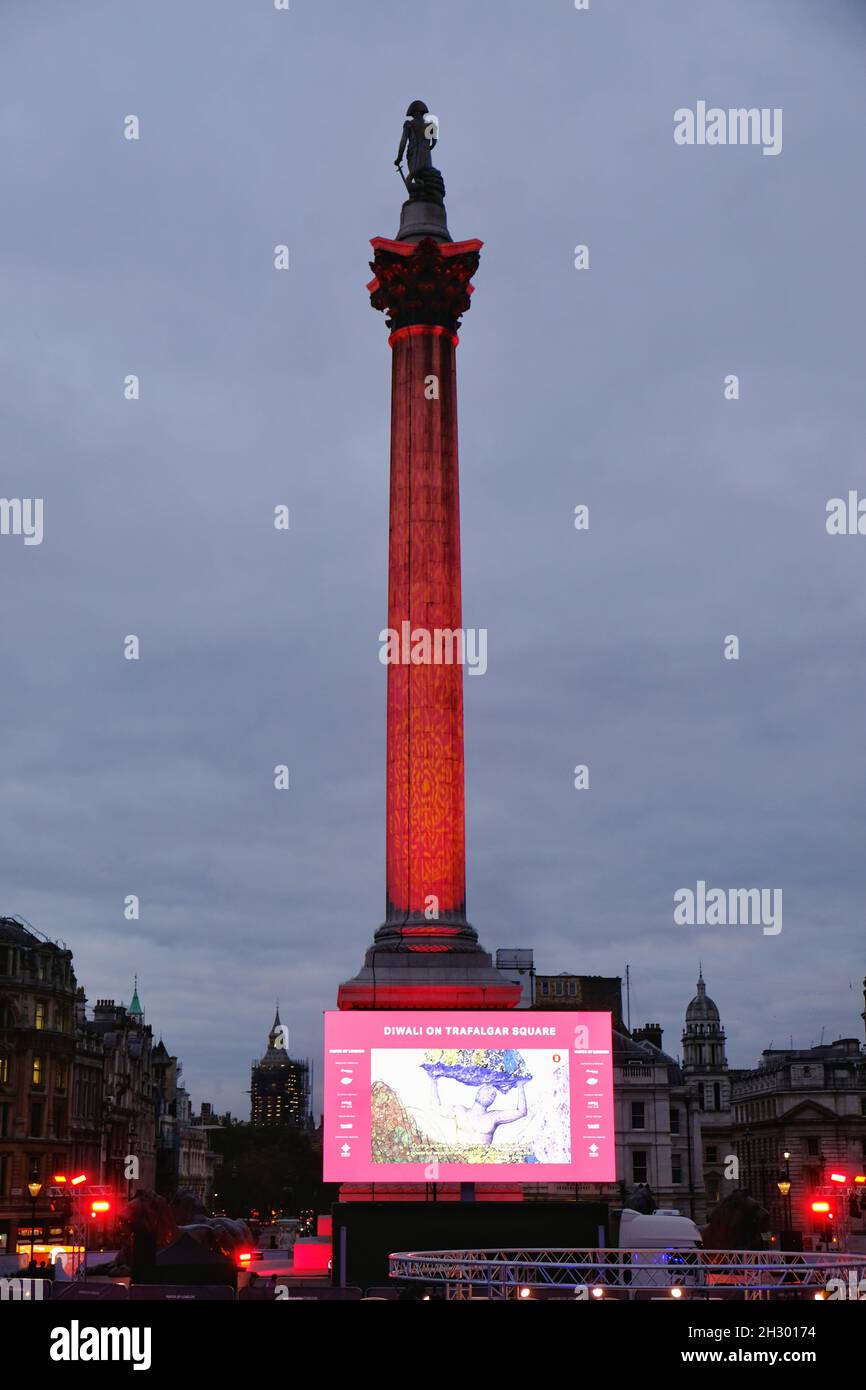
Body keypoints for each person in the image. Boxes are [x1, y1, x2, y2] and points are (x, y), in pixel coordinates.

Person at [429, 1076, 527, 1147]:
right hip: (460, 1160)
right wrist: (433, 1081)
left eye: (493, 1094)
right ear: (477, 1094)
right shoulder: (460, 1111)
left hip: (482, 1163)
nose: (490, 1093)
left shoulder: (494, 1116)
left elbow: (521, 1112)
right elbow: (436, 1107)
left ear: (493, 1100)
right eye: (486, 1091)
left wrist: (520, 1086)